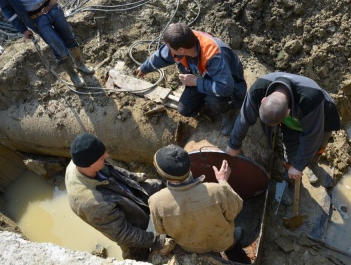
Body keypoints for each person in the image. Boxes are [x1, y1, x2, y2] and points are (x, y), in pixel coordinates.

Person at [65, 133, 175, 261]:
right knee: (136, 254)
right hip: (122, 224)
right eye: (102, 157)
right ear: (89, 165)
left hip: (122, 191)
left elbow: (112, 169)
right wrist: (158, 241)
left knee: (157, 186)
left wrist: (135, 177)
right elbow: (124, 234)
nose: (107, 156)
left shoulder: (81, 159)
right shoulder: (93, 204)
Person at [226, 72, 341, 185]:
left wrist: (298, 166)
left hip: (322, 118)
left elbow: (311, 137)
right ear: (263, 100)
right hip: (294, 119)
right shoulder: (258, 89)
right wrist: (233, 144)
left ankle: (313, 165)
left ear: (287, 113)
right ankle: (291, 178)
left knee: (317, 148)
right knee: (290, 153)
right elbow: (244, 118)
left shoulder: (310, 99)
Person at [136, 22, 247, 136]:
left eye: (169, 48)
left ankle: (228, 112)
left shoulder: (214, 55)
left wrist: (195, 82)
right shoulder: (183, 42)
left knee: (213, 100)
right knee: (185, 110)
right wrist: (144, 68)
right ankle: (208, 103)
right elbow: (161, 55)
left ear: (181, 50)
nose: (168, 50)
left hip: (228, 86)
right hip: (200, 79)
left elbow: (225, 88)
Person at [148, 144, 243, 254]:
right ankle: (232, 246)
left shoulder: (155, 202)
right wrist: (223, 182)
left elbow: (160, 230)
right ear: (189, 166)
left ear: (161, 174)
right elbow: (235, 210)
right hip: (222, 242)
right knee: (230, 242)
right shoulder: (216, 190)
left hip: (189, 246)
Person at [0, 0, 94, 87]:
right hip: (37, 19)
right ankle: (73, 76)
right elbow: (7, 10)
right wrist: (23, 29)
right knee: (58, 47)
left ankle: (80, 64)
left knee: (69, 38)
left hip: (53, 7)